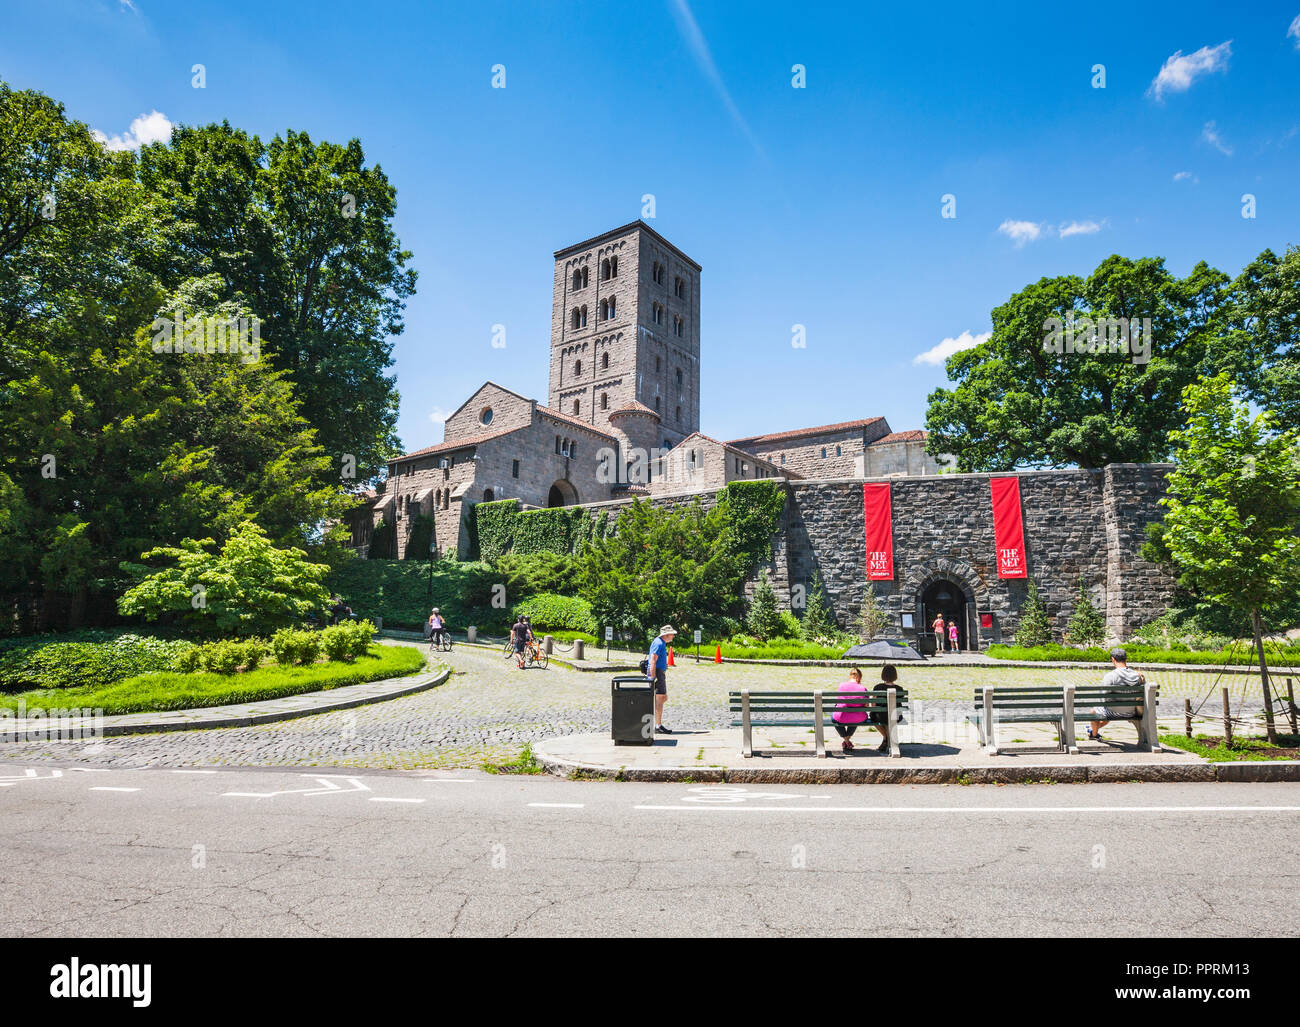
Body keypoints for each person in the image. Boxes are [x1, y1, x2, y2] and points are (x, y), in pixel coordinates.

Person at [1088, 647, 1145, 740]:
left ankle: (1093, 734)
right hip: (1131, 712)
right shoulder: (1137, 676)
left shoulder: (1111, 676)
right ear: (1126, 659)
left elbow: (1103, 698)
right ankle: (1092, 732)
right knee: (1107, 711)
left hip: (1113, 713)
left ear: (1113, 659)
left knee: (1093, 711)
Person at [646, 625, 677, 734]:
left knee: (662, 697)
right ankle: (658, 725)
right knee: (660, 698)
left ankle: (658, 724)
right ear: (666, 635)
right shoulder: (659, 643)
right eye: (672, 634)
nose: (673, 636)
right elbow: (653, 661)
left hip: (659, 673)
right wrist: (652, 678)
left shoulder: (660, 643)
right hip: (657, 673)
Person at [831, 667, 869, 752]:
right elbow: (866, 706)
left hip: (841, 716)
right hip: (858, 717)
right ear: (860, 677)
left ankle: (846, 741)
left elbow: (839, 702)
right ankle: (847, 741)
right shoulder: (863, 688)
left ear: (850, 676)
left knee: (834, 717)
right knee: (855, 714)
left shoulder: (841, 686)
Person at [867, 664, 902, 752]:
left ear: (883, 675)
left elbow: (873, 704)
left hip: (880, 716)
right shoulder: (900, 689)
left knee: (873, 717)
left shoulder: (877, 687)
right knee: (888, 717)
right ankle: (888, 739)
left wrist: (873, 712)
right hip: (896, 716)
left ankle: (886, 737)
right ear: (895, 676)